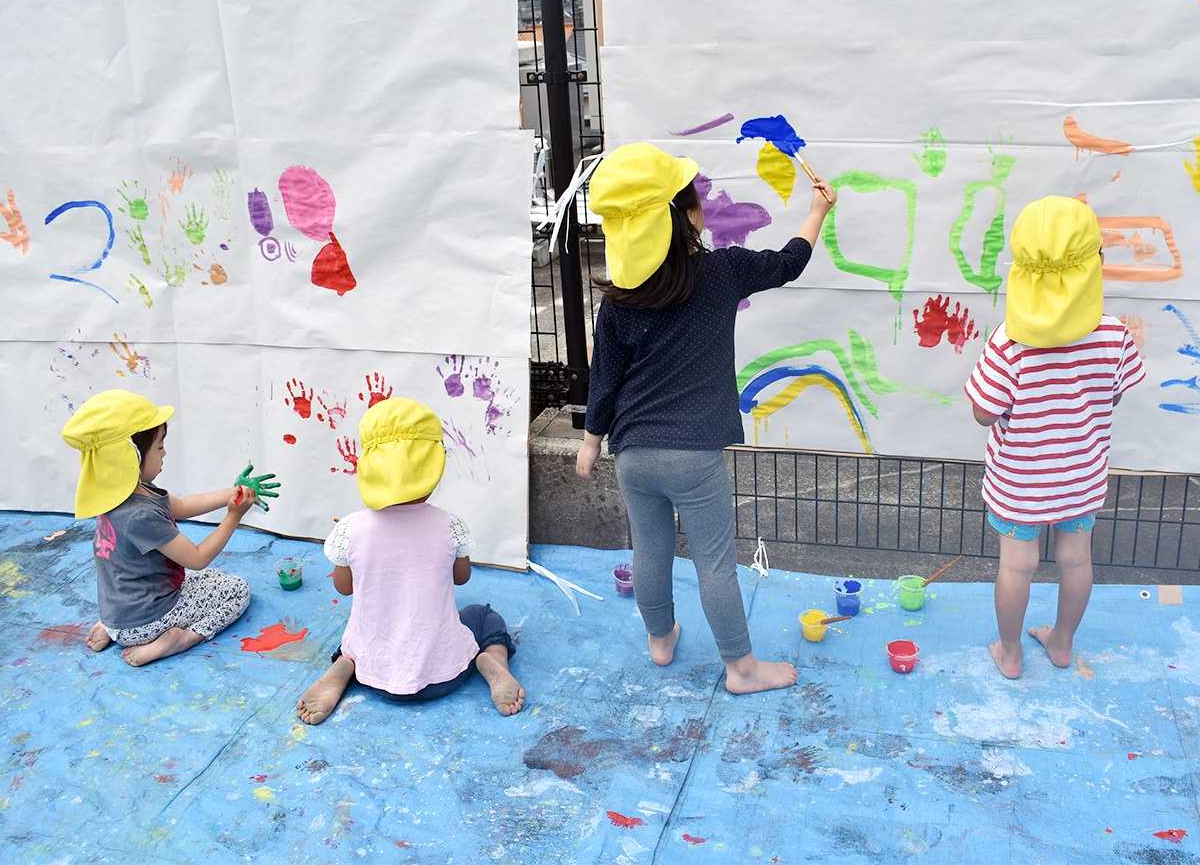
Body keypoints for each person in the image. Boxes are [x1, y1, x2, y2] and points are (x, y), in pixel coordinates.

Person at [575, 141, 834, 694]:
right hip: (694, 456)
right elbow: (788, 262)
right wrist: (817, 211)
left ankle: (660, 638)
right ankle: (741, 669)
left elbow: (606, 377)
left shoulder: (620, 299)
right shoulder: (722, 271)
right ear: (688, 215)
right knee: (714, 564)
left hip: (632, 453)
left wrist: (592, 440)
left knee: (650, 552)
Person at [963, 196, 1146, 680]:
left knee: (1016, 567)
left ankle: (1009, 653)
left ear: (1022, 270)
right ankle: (1062, 643)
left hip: (1020, 480)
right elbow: (1114, 395)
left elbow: (983, 412)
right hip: (1081, 475)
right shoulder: (1115, 335)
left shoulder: (1010, 341)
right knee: (1076, 561)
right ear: (1095, 263)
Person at [296, 397, 524, 723]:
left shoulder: (351, 528)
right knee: (483, 616)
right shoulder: (450, 525)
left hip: (372, 675)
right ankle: (492, 659)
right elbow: (461, 577)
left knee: (357, 634)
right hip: (447, 673)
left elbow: (344, 588)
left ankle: (345, 664)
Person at [64, 390, 255, 667]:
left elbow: (182, 506)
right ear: (129, 456)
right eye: (159, 446)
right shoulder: (140, 515)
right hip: (146, 620)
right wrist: (234, 517)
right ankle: (179, 639)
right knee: (236, 589)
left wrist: (233, 492)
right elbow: (197, 558)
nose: (164, 452)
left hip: (117, 612)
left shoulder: (118, 495)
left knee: (209, 579)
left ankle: (113, 630)